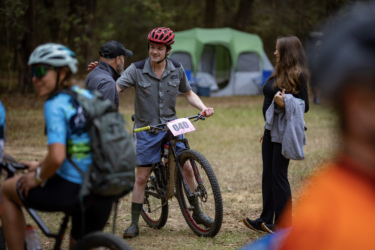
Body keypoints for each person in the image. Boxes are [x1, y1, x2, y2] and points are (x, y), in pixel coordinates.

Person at [0, 43, 114, 249]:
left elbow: (57, 157)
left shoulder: (55, 103)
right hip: (106, 187)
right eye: (32, 72)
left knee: (7, 191)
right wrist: (40, 164)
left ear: (62, 72)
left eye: (41, 71)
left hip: (76, 188)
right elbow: (78, 145)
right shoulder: (87, 96)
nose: (35, 78)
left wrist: (37, 177)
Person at [115, 27, 215, 238]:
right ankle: (134, 223)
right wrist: (101, 75)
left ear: (168, 50)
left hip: (171, 127)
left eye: (159, 48)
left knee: (187, 166)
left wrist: (203, 107)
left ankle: (196, 212)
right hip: (146, 129)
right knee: (141, 177)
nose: (154, 52)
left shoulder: (177, 69)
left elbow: (188, 93)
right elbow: (115, 88)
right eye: (152, 47)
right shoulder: (137, 68)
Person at [243, 36, 309, 234]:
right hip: (271, 132)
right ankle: (265, 218)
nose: (274, 53)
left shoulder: (299, 75)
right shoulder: (277, 73)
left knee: (279, 175)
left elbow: (305, 105)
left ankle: (284, 222)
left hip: (284, 133)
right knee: (268, 175)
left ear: (287, 52)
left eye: (277, 50)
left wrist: (286, 101)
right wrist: (266, 130)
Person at [84, 40, 133, 109]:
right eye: (123, 57)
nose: (123, 61)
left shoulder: (92, 74)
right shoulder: (108, 83)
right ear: (118, 59)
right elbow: (105, 116)